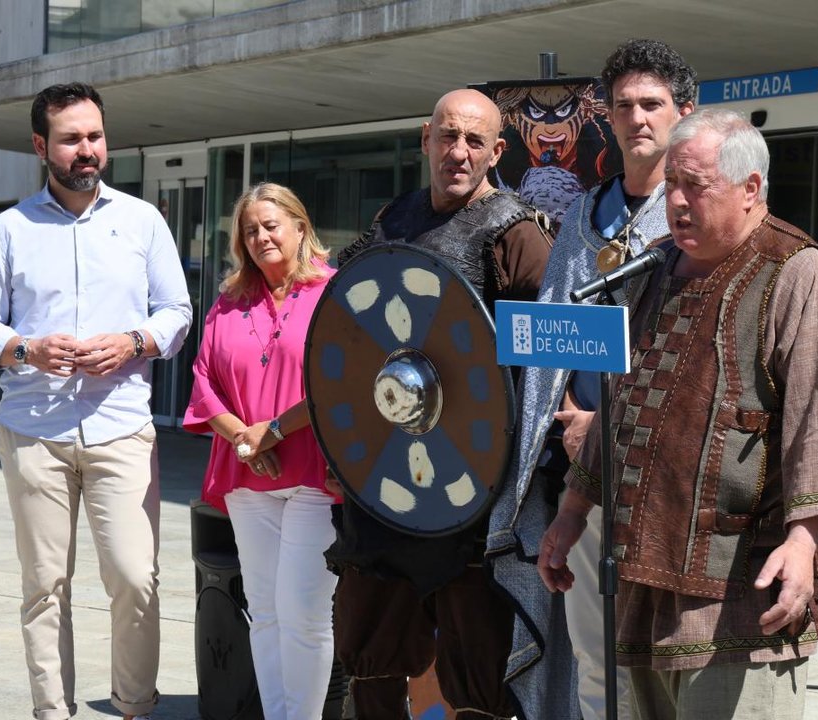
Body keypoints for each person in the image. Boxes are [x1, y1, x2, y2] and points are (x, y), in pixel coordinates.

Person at [538, 107, 818, 719]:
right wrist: (574, 509)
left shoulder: (798, 273)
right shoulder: (654, 267)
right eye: (673, 186)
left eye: (697, 186)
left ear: (751, 189)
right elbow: (623, 403)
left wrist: (803, 541)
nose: (678, 203)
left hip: (741, 590)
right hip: (640, 574)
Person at [0, 82, 192, 720]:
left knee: (136, 578)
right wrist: (23, 348)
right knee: (44, 587)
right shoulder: (10, 229)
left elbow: (176, 311)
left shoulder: (142, 220)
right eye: (70, 139)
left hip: (121, 428)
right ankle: (53, 712)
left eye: (94, 137)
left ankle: (135, 706)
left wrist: (134, 340)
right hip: (35, 430)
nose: (86, 150)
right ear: (42, 147)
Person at [325, 88, 554, 720]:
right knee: (370, 650)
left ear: (496, 151)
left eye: (474, 141)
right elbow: (347, 326)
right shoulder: (393, 221)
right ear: (426, 138)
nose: (458, 152)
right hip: (385, 474)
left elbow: (546, 367)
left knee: (474, 664)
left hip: (470, 488)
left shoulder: (516, 235)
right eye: (448, 136)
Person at [487, 39, 697, 720]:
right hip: (580, 476)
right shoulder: (581, 213)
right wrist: (561, 419)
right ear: (603, 116)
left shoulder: (697, 220)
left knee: (657, 662)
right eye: (624, 105)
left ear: (683, 112)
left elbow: (686, 352)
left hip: (660, 479)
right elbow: (550, 335)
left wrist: (599, 423)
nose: (637, 118)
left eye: (652, 104)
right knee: (590, 661)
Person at [183, 183, 340, 719]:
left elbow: (341, 380)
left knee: (304, 613)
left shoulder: (333, 292)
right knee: (267, 613)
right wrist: (244, 440)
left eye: (272, 225)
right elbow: (204, 380)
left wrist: (270, 431)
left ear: (300, 227)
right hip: (247, 475)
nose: (261, 237)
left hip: (314, 475)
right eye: (250, 230)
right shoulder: (229, 302)